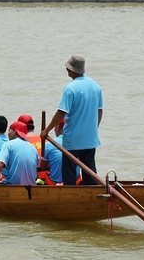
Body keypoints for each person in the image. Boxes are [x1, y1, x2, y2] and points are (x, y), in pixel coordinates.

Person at [43, 55, 103, 186]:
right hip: (90, 139)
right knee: (89, 171)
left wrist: (46, 130)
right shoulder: (96, 87)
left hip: (74, 140)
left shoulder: (70, 89)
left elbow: (61, 112)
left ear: (71, 69)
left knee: (69, 172)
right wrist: (93, 129)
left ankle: (71, 195)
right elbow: (99, 111)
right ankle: (91, 195)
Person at [0, 120, 41, 185]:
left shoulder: (8, 144)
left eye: (9, 131)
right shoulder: (33, 147)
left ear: (15, 132)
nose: (8, 134)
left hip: (12, 187)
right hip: (31, 187)